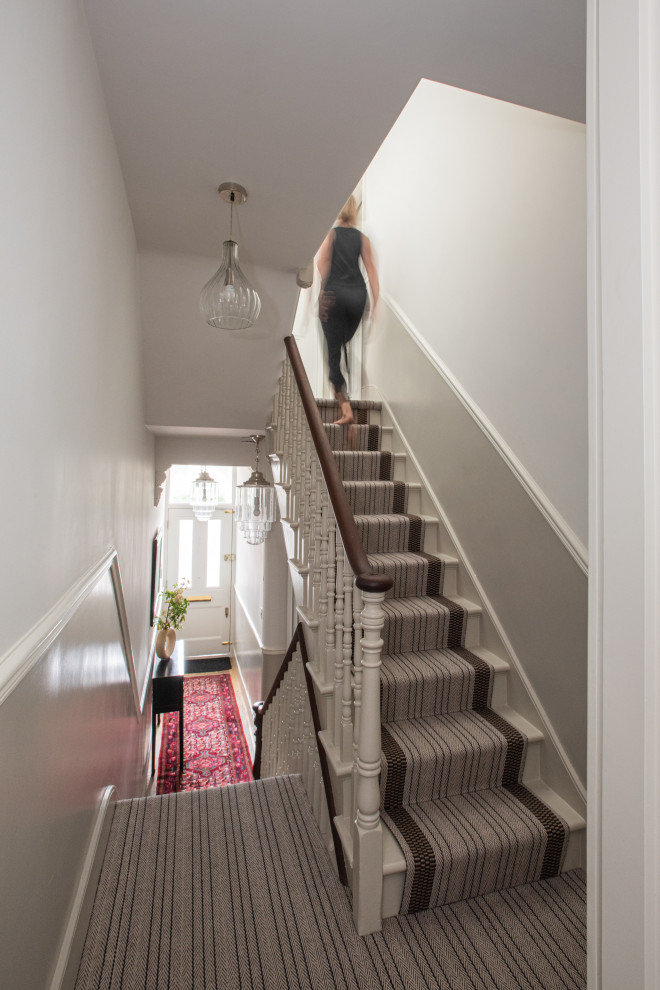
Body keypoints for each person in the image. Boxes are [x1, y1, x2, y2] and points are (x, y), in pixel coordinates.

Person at [317, 195, 379, 425]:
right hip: (357, 298)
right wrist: (375, 303)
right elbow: (371, 271)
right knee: (340, 342)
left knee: (332, 350)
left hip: (335, 295)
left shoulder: (331, 233)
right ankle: (343, 391)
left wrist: (324, 288)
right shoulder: (363, 239)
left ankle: (345, 407)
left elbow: (322, 261)